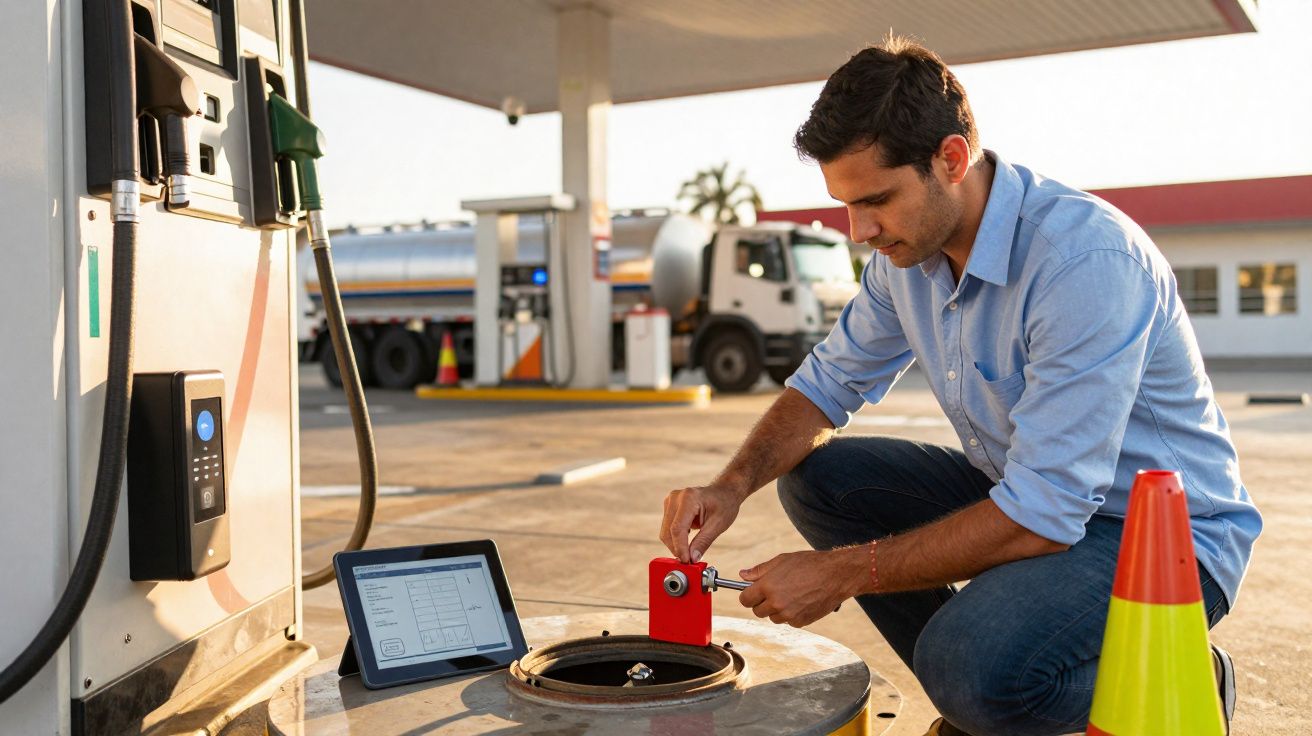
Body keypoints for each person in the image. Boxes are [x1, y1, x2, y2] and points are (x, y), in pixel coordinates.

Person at [658, 35, 1261, 736]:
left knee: (966, 668)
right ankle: (990, 687)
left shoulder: (1082, 261)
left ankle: (1175, 669)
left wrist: (843, 572)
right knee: (824, 481)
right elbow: (826, 386)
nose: (858, 230)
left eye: (876, 200)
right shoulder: (905, 258)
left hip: (1160, 536)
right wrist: (728, 487)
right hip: (1041, 495)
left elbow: (1045, 510)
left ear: (951, 158)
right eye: (845, 205)